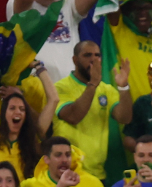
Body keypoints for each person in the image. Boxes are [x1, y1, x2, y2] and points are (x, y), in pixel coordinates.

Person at [54, 43, 134, 179]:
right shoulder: (60, 87)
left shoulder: (106, 89)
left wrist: (123, 88)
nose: (94, 59)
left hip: (97, 174)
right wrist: (93, 84)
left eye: (97, 55)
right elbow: (73, 116)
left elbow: (124, 118)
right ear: (75, 60)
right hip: (66, 171)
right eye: (87, 55)